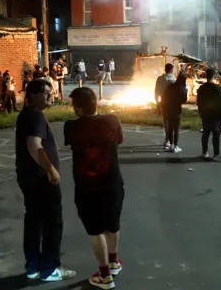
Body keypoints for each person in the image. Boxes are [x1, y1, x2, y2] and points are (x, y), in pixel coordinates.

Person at [65, 87, 124, 289]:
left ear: (78, 108)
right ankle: (114, 261)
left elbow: (72, 142)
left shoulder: (71, 127)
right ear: (96, 103)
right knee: (113, 223)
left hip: (87, 187)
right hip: (113, 183)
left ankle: (105, 275)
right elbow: (119, 141)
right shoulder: (112, 121)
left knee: (96, 229)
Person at [15, 80, 75, 282]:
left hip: (28, 178)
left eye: (52, 91)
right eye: (47, 92)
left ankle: (33, 266)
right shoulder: (36, 116)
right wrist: (50, 169)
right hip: (41, 180)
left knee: (33, 222)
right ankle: (50, 269)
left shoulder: (26, 115)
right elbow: (34, 145)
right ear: (33, 95)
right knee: (52, 223)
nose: (52, 95)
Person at [196, 68, 221, 161]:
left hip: (205, 114)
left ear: (206, 76)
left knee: (205, 133)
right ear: (214, 77)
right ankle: (216, 154)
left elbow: (198, 102)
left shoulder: (201, 88)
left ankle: (204, 152)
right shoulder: (217, 88)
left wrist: (201, 112)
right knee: (216, 134)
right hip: (216, 115)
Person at [162, 74, 188, 153]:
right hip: (177, 111)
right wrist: (185, 91)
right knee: (176, 129)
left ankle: (171, 145)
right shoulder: (182, 89)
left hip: (168, 110)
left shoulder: (170, 87)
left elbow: (164, 98)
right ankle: (176, 146)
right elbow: (184, 100)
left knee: (170, 128)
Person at [155, 64, 176, 148]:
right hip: (172, 103)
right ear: (171, 70)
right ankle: (170, 141)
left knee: (166, 122)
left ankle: (167, 140)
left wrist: (157, 102)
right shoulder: (174, 79)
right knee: (172, 123)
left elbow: (156, 91)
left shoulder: (160, 79)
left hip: (163, 102)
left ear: (165, 69)